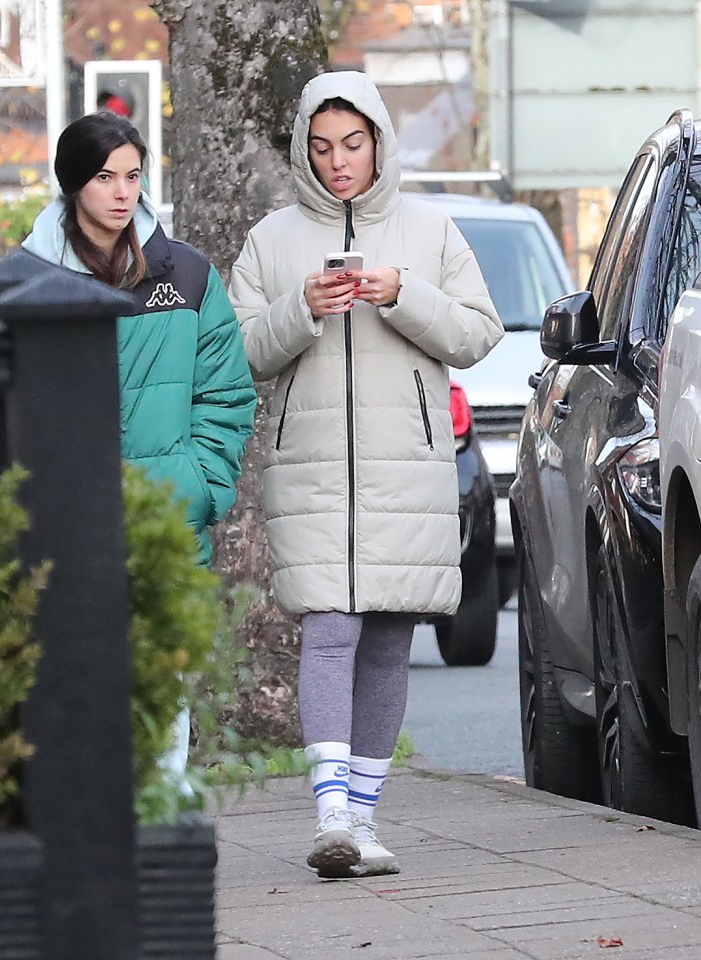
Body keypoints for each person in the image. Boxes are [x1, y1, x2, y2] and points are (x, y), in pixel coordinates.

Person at [229, 71, 503, 879]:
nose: (338, 162)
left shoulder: (429, 229)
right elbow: (241, 348)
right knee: (329, 625)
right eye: (321, 147)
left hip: (406, 470)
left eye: (352, 144)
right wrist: (302, 307)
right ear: (302, 151)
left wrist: (404, 294)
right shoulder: (272, 239)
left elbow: (479, 333)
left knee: (387, 634)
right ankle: (332, 813)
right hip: (311, 472)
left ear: (378, 142)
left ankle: (365, 821)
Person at [22, 111, 256, 789]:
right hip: (63, 523)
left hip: (166, 515)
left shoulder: (184, 273)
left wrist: (200, 482)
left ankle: (157, 832)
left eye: (132, 176)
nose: (122, 193)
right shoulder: (22, 278)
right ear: (73, 184)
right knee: (78, 687)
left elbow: (227, 393)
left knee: (164, 684)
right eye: (104, 178)